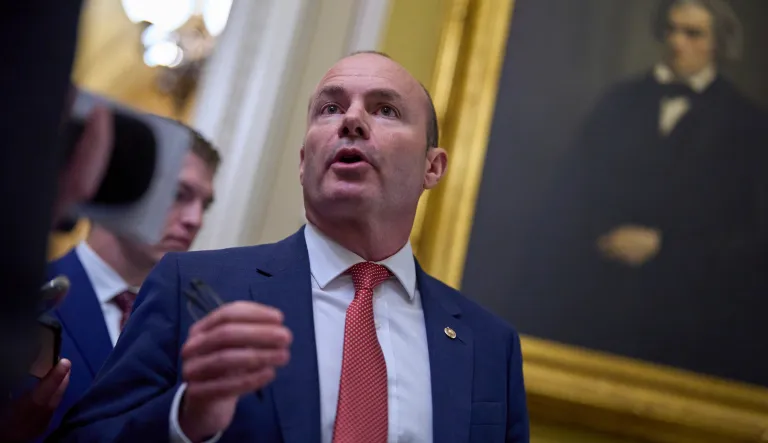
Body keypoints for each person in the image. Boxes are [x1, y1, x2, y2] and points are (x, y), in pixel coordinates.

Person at [49, 51, 529, 442]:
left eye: (386, 109)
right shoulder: (190, 287)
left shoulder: (491, 346)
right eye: (330, 108)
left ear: (432, 167)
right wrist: (186, 419)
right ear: (303, 161)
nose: (352, 120)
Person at [524, 0, 767, 383]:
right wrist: (600, 236)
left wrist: (664, 247)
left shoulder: (747, 123)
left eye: (693, 34)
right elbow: (571, 190)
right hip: (599, 293)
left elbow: (748, 235)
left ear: (718, 43)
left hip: (689, 313)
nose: (676, 42)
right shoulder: (619, 101)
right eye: (671, 29)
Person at [31, 128, 219, 441]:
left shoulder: (197, 327)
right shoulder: (28, 299)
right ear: (117, 189)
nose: (195, 219)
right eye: (178, 194)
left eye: (205, 205)